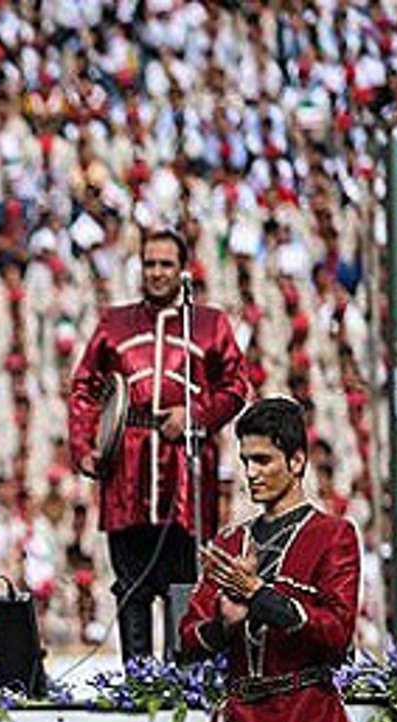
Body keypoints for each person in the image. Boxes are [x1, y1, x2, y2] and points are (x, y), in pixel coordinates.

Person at [170, 397, 389, 722]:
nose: (251, 472)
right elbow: (187, 641)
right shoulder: (230, 543)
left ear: (296, 461)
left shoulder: (334, 536)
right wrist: (225, 626)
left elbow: (336, 634)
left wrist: (259, 596)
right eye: (246, 459)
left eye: (263, 459)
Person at [69, 229, 251, 662]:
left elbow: (235, 387)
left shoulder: (210, 325)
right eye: (149, 263)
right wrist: (85, 445)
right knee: (131, 587)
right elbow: (84, 387)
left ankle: (182, 682)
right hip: (126, 473)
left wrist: (196, 415)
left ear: (182, 270)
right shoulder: (114, 324)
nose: (156, 272)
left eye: (165, 264)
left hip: (184, 474)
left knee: (182, 586)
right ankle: (137, 684)